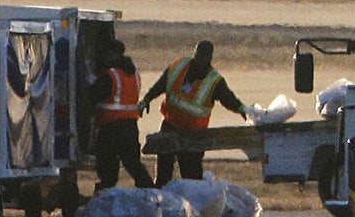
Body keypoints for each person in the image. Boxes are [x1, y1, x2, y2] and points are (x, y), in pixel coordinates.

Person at [141, 40, 247, 184]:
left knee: (192, 178)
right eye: (198, 55)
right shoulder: (179, 66)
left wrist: (241, 109)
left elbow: (228, 98)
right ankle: (162, 202)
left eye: (203, 56)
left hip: (194, 134)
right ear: (195, 53)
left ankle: (194, 204)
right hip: (170, 125)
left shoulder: (214, 81)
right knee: (162, 176)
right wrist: (146, 99)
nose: (200, 59)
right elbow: (161, 84)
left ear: (209, 58)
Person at [90, 37, 153, 190]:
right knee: (135, 166)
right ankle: (151, 194)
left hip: (111, 129)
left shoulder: (110, 76)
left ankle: (105, 199)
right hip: (130, 127)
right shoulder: (132, 74)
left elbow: (92, 97)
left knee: (108, 171)